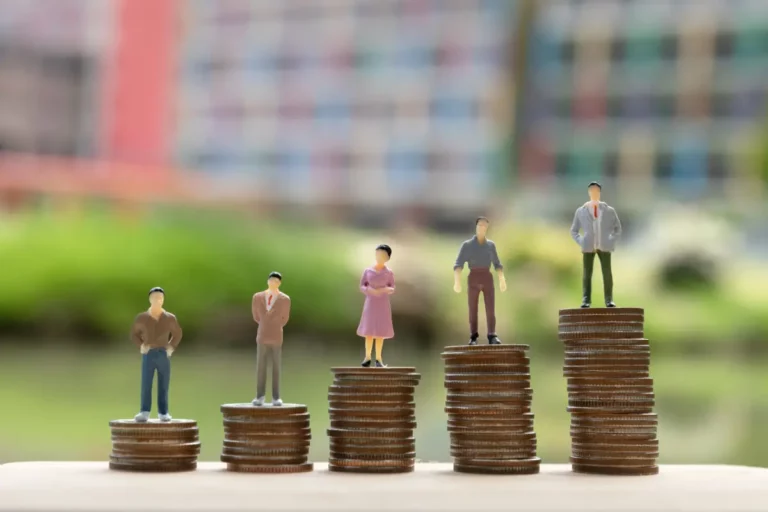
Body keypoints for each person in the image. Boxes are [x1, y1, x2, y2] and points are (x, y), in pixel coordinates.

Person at [130, 287, 183, 422]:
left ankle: (163, 412)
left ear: (163, 300)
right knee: (146, 382)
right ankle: (144, 411)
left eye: (160, 298)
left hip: (163, 353)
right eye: (154, 298)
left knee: (163, 383)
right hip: (149, 352)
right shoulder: (142, 318)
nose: (157, 301)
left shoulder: (169, 318)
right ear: (150, 299)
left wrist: (171, 347)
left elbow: (177, 334)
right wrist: (141, 346)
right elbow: (134, 334)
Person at [453, 217, 507, 345]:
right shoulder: (467, 245)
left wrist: (502, 279)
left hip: (486, 275)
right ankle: (473, 336)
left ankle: (492, 334)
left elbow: (497, 263)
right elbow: (459, 264)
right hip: (474, 275)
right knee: (473, 307)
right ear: (476, 227)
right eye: (480, 226)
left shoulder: (490, 245)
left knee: (490, 307)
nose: (482, 229)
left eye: (484, 226)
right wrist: (457, 281)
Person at [570, 181, 622, 308]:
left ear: (599, 192)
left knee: (607, 273)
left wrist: (610, 240)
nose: (594, 193)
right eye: (591, 191)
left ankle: (609, 299)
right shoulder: (581, 211)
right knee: (587, 274)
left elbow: (617, 228)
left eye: (596, 191)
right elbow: (574, 230)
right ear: (589, 192)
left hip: (604, 246)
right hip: (588, 246)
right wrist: (581, 241)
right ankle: (586, 299)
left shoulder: (609, 210)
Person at [251, 271, 291, 406]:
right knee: (261, 366)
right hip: (262, 334)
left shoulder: (284, 299)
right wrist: (265, 323)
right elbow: (256, 316)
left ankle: (276, 396)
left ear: (279, 283)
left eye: (276, 281)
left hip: (276, 335)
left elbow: (285, 318)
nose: (273, 283)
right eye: (271, 280)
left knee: (276, 366)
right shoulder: (258, 297)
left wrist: (276, 324)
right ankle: (260, 395)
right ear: (268, 281)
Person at [357, 244, 395, 367]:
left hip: (382, 303)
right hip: (371, 302)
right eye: (378, 254)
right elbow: (362, 285)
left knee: (380, 332)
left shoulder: (388, 273)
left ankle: (378, 358)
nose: (379, 257)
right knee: (369, 331)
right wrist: (370, 290)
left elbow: (392, 287)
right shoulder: (368, 271)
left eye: (382, 255)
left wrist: (384, 289)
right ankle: (367, 357)